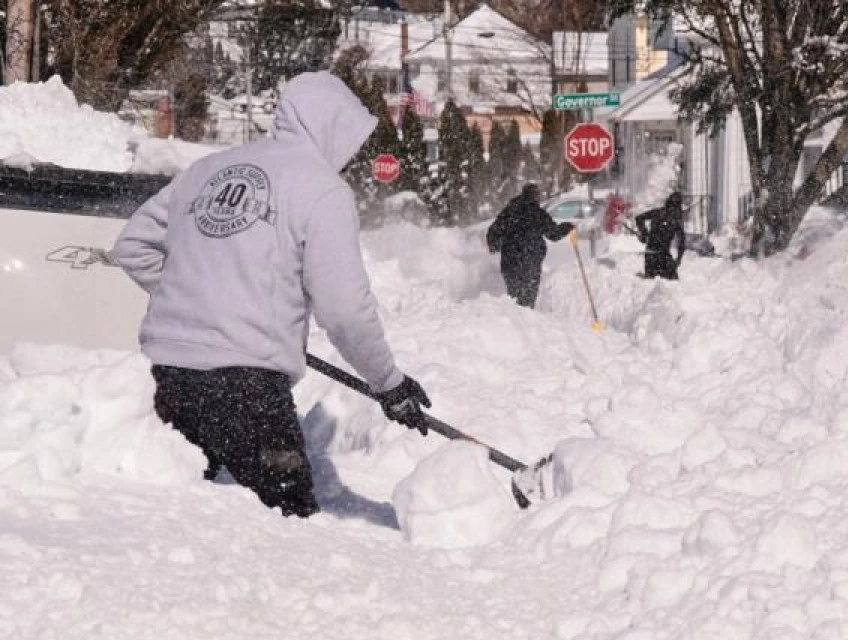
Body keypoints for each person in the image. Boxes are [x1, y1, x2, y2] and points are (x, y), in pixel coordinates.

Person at [111, 71, 432, 518]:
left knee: (191, 520)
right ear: (332, 126)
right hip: (246, 394)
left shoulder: (206, 169)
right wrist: (389, 384)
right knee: (287, 524)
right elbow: (344, 311)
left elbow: (132, 246)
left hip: (170, 382)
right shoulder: (321, 189)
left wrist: (195, 299)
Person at [486, 183, 573, 308]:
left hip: (510, 261)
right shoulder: (538, 214)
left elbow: (494, 231)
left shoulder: (509, 212)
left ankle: (515, 321)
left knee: (514, 297)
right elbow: (553, 234)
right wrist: (567, 227)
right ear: (535, 197)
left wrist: (494, 245)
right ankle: (527, 321)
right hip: (530, 260)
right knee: (528, 298)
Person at [633, 191, 686, 280]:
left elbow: (639, 218)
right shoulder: (676, 219)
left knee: (649, 283)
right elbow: (682, 242)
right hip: (664, 257)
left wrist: (644, 233)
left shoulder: (657, 212)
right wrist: (678, 259)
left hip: (650, 256)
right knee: (674, 285)